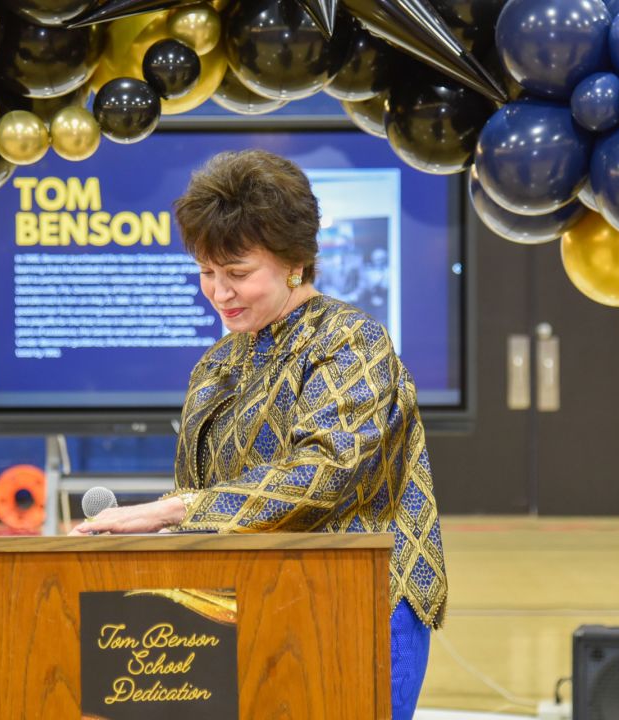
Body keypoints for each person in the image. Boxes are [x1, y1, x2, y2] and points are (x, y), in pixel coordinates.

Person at [70, 149, 447, 718]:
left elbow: (324, 472)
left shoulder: (350, 343)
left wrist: (171, 510)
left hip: (359, 604)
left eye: (238, 274)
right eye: (206, 272)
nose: (219, 293)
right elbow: (200, 493)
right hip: (246, 604)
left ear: (294, 262)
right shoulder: (218, 363)